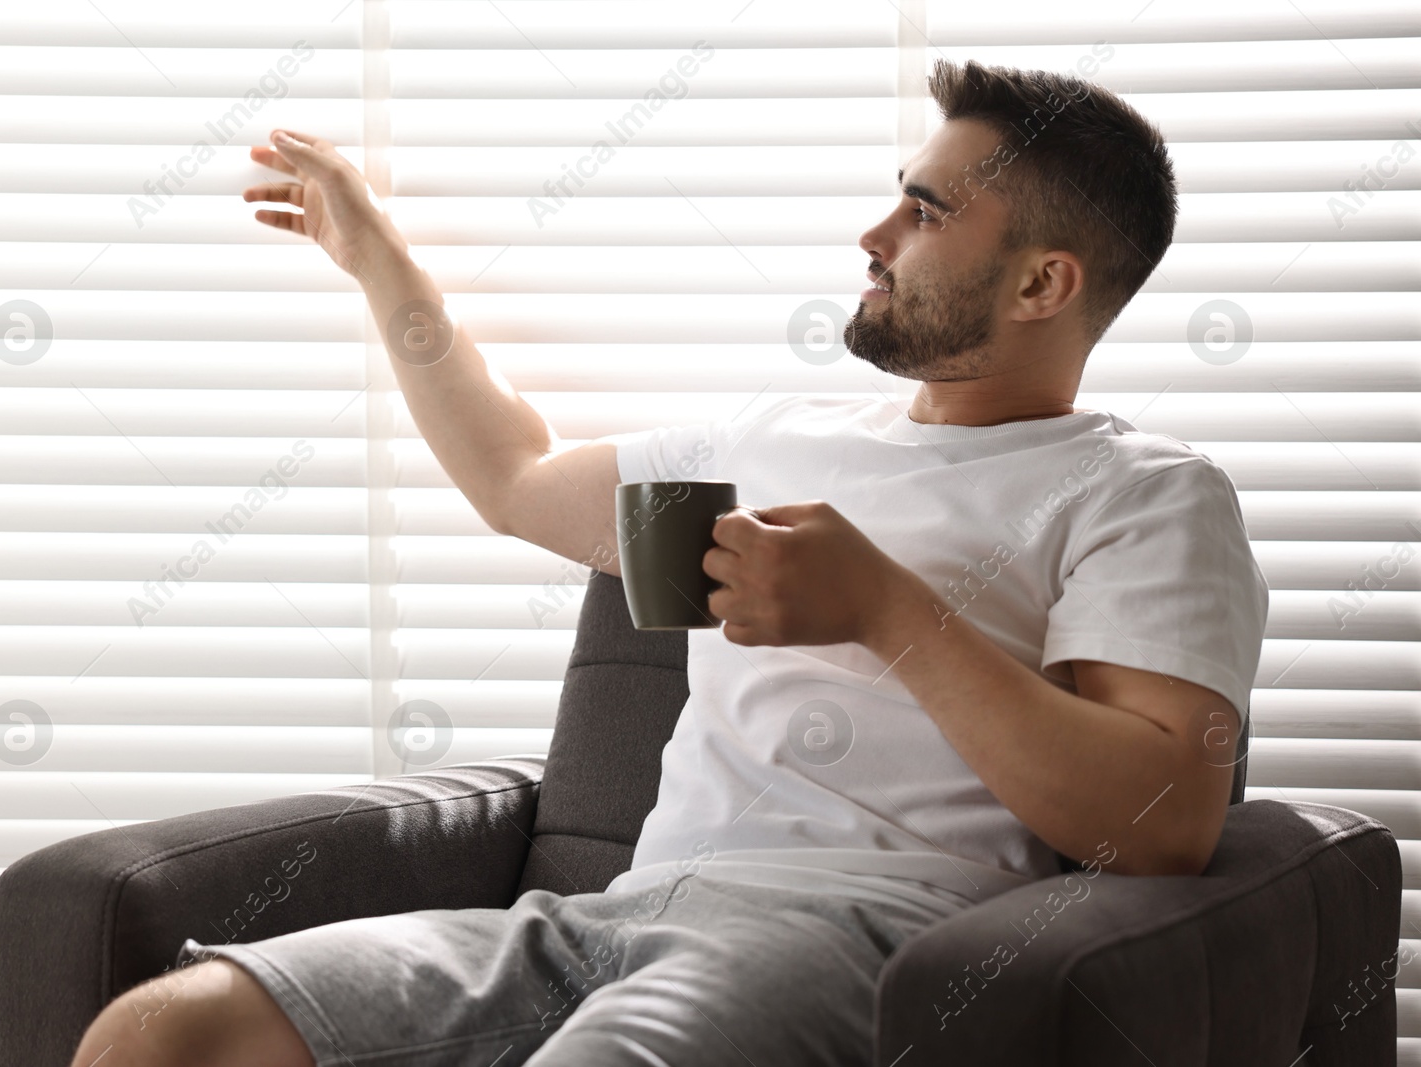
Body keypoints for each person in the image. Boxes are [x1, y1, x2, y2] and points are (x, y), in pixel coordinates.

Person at [68, 58, 1268, 1066]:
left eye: (928, 211)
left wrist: (889, 610)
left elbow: (1156, 823)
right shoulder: (765, 439)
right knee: (169, 1030)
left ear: (1042, 282)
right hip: (606, 915)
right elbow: (516, 479)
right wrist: (376, 257)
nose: (874, 234)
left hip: (859, 932)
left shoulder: (1143, 491)